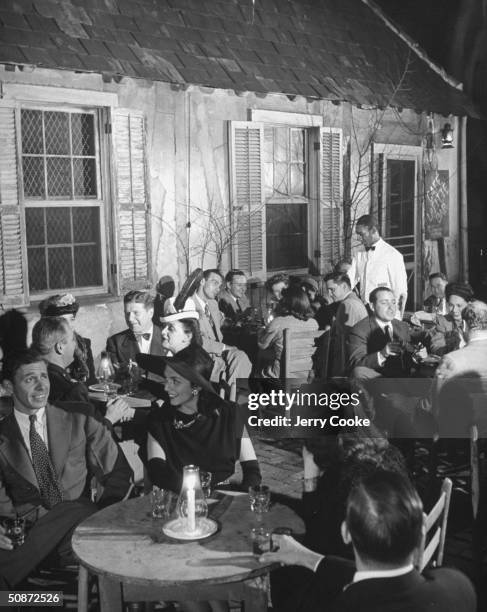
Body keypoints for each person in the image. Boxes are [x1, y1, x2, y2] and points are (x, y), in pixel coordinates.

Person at [0, 350, 133, 588]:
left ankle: (12, 590)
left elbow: (119, 474)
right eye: (30, 379)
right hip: (27, 537)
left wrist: (101, 519)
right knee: (77, 509)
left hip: (81, 532)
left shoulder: (79, 417)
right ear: (9, 387)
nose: (42, 386)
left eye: (44, 377)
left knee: (79, 509)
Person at [262, 471, 476, 612]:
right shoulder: (459, 587)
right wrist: (307, 557)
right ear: (421, 532)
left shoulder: (342, 605)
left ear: (346, 533)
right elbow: (389, 585)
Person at [137, 345, 261, 494]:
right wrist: (193, 498)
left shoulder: (231, 414)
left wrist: (241, 499)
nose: (166, 388)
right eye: (167, 380)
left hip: (223, 498)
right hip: (178, 499)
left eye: (175, 381)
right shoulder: (159, 420)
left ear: (195, 387)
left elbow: (251, 468)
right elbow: (159, 473)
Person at [31, 317, 132, 425]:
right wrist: (110, 418)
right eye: (73, 340)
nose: (75, 344)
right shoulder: (71, 390)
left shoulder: (29, 380)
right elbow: (88, 437)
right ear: (60, 347)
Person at [193, 269, 251, 385]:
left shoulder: (213, 304)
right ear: (202, 281)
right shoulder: (189, 305)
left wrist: (238, 323)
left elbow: (222, 322)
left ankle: (232, 394)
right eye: (214, 283)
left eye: (220, 286)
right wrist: (224, 347)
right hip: (202, 356)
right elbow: (196, 340)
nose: (218, 289)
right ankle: (232, 396)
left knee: (242, 356)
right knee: (240, 358)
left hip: (219, 354)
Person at [349, 215, 408, 318]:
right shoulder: (359, 254)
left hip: (385, 313)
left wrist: (397, 319)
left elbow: (400, 290)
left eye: (361, 234)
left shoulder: (392, 254)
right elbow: (349, 279)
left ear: (373, 230)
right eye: (358, 235)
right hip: (365, 312)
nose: (359, 239)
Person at [347, 287, 412, 380]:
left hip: (404, 382)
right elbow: (356, 364)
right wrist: (382, 354)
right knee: (358, 372)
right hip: (378, 382)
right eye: (384, 303)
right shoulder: (359, 330)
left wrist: (416, 355)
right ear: (372, 306)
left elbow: (408, 360)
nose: (391, 307)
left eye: (393, 302)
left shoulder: (401, 326)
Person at [255, 286, 318, 380]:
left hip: (281, 376)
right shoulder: (313, 323)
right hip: (305, 374)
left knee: (257, 361)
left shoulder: (278, 322)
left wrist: (261, 329)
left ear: (286, 303)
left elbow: (262, 345)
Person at [39, 293, 96, 385]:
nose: (70, 325)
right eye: (64, 321)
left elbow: (92, 383)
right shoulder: (45, 348)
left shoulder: (84, 344)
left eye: (72, 319)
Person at [107, 290, 165, 377]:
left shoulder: (167, 337)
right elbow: (114, 378)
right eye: (127, 313)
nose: (130, 318)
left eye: (136, 313)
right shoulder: (115, 342)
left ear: (150, 313)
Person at [324, 272, 368, 377]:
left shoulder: (347, 304)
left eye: (332, 289)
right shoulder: (353, 300)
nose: (329, 294)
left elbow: (345, 344)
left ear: (344, 286)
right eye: (328, 290)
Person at [428, 282, 474, 355]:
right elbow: (436, 348)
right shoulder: (443, 321)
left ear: (469, 304)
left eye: (459, 306)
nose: (454, 310)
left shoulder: (476, 320)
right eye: (451, 305)